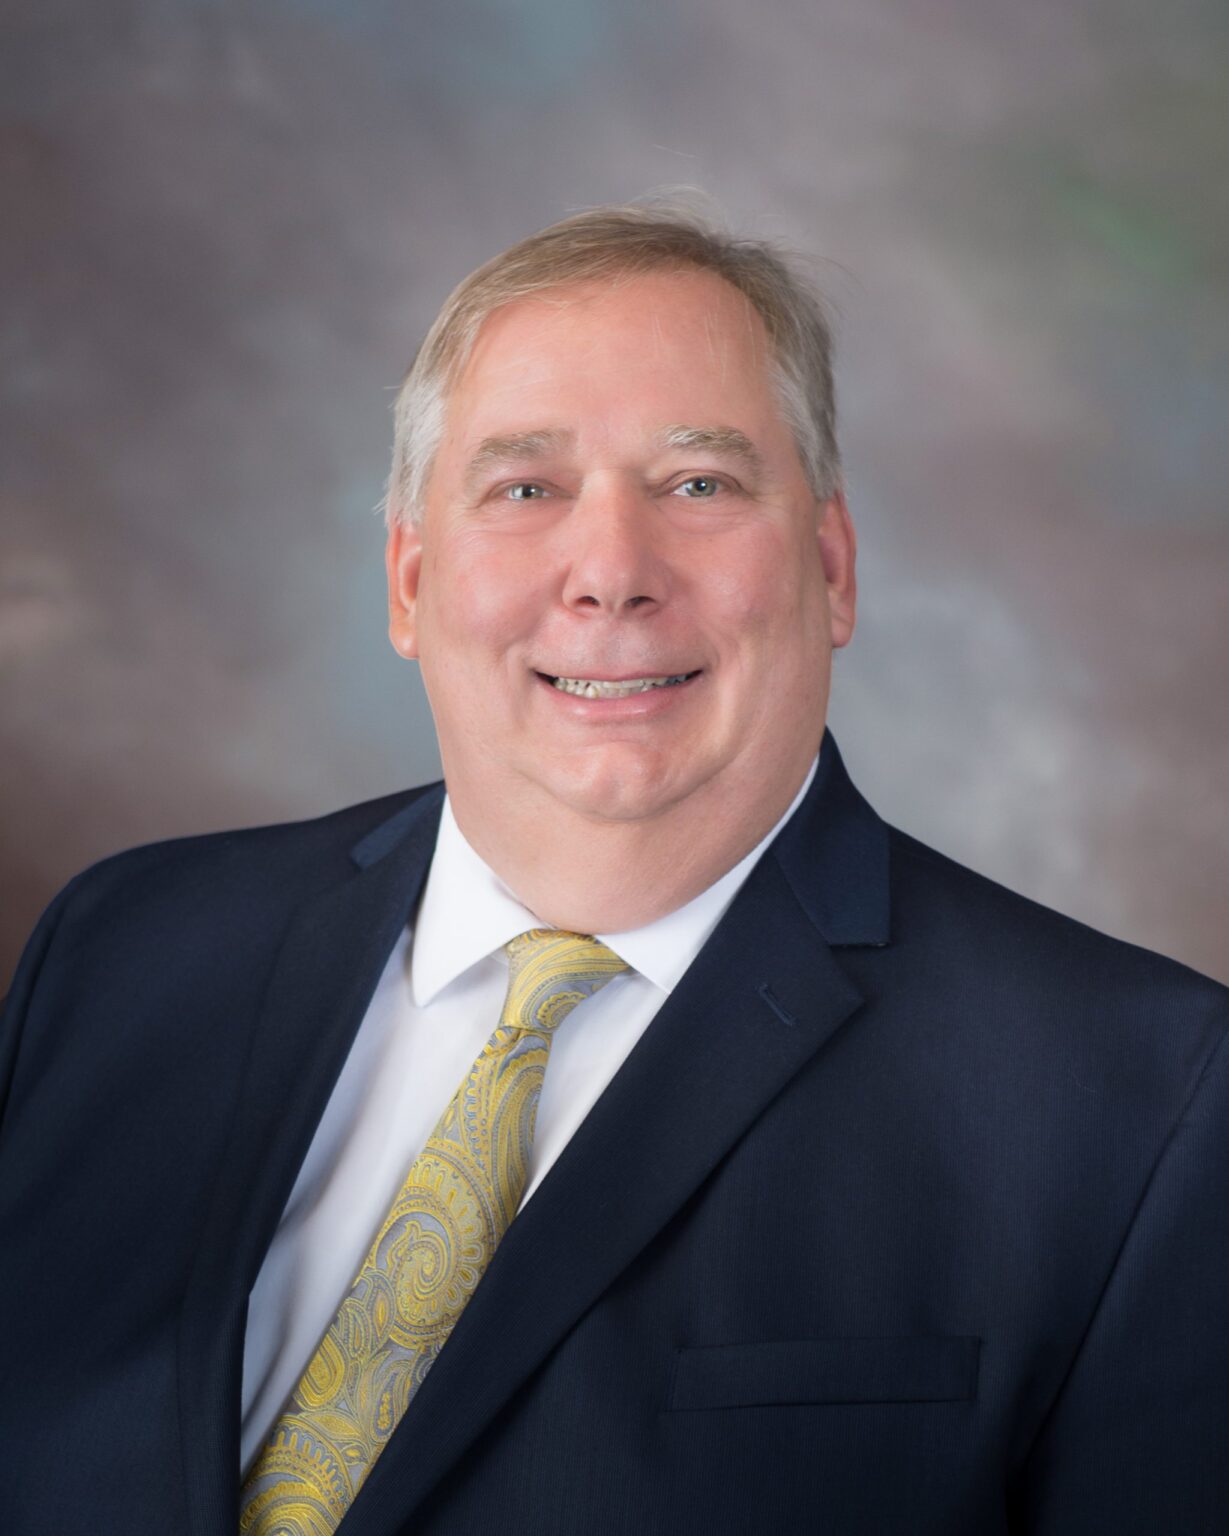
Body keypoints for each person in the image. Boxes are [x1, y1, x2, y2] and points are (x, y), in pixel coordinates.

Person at [1, 202, 1226, 1536]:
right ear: (409, 580)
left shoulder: (1141, 1105)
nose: (609, 574)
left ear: (830, 569)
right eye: (525, 489)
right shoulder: (125, 953)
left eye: (698, 485)